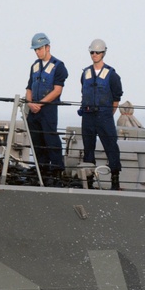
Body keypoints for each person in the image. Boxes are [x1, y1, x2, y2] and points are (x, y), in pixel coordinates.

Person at [79, 38, 123, 190]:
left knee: (111, 146)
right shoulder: (85, 73)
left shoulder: (112, 75)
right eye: (92, 52)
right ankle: (89, 179)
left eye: (98, 52)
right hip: (88, 115)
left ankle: (115, 178)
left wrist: (109, 113)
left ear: (103, 53)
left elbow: (117, 97)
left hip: (104, 115)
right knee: (88, 148)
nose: (95, 55)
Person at [25, 33, 69, 180]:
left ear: (47, 47)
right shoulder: (34, 66)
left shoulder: (59, 66)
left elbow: (57, 90)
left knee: (50, 139)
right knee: (36, 141)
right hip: (33, 110)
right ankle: (41, 169)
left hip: (48, 109)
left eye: (39, 49)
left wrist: (40, 104)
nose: (37, 52)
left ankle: (56, 169)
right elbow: (29, 88)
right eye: (35, 50)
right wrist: (30, 103)